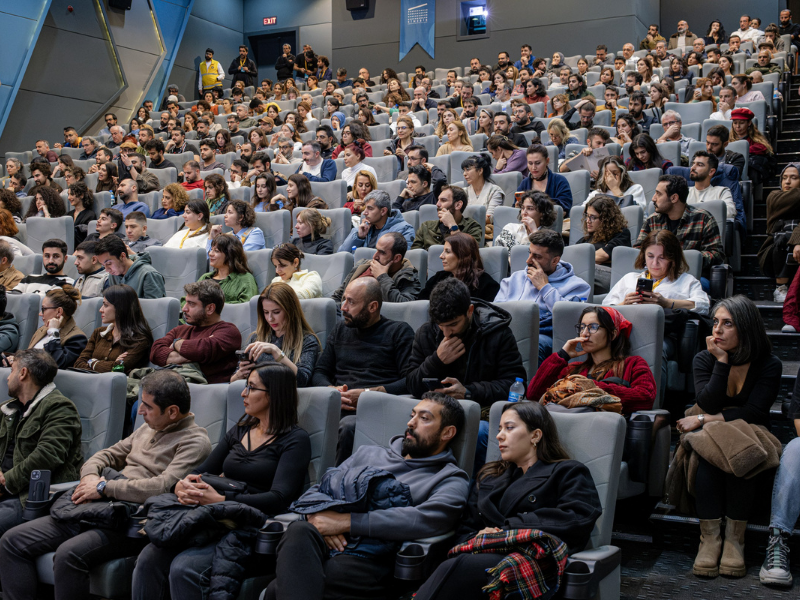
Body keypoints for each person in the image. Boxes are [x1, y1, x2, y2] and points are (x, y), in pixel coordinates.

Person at [0, 369, 212, 600]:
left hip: (131, 518)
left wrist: (104, 488)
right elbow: (104, 456)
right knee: (12, 541)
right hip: (98, 504)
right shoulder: (147, 427)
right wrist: (91, 477)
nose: (140, 411)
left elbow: (163, 486)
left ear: (172, 411)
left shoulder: (194, 442)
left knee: (68, 554)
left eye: (147, 407)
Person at [264, 390, 469, 600]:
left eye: (424, 418)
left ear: (447, 433)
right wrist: (320, 519)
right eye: (412, 415)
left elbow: (428, 519)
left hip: (374, 559)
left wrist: (347, 522)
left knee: (275, 590)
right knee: (299, 531)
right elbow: (319, 489)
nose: (411, 423)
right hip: (325, 543)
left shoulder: (450, 477)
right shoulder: (367, 453)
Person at [133, 361, 310, 600]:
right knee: (148, 559)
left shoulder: (295, 440)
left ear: (274, 395)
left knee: (184, 569)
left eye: (251, 388)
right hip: (212, 515)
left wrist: (223, 499)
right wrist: (184, 485)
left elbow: (279, 498)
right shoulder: (241, 429)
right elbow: (203, 470)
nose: (243, 393)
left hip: (250, 523)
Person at [412, 401, 600, 600]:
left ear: (535, 435)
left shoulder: (567, 471)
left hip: (535, 560)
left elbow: (577, 518)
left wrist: (507, 530)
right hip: (483, 554)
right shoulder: (489, 477)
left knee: (460, 566)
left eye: (509, 428)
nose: (499, 435)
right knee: (452, 563)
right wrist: (483, 536)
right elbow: (465, 530)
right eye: (500, 428)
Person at [676, 296, 781, 579]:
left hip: (752, 432)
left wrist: (702, 419)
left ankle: (736, 539)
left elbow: (755, 412)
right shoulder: (704, 358)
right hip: (712, 435)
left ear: (745, 328)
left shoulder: (769, 363)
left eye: (727, 324)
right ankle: (710, 539)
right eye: (715, 323)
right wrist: (721, 362)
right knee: (712, 452)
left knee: (739, 451)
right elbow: (709, 402)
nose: (717, 330)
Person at [407, 276, 525, 451]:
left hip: (481, 412)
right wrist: (436, 361)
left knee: (478, 433)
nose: (447, 333)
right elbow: (411, 384)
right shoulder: (426, 332)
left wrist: (469, 391)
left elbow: (513, 385)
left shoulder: (498, 333)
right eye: (441, 325)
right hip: (435, 412)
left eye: (453, 324)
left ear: (470, 310)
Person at [311, 277, 415, 463]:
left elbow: (410, 381)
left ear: (373, 306)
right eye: (344, 299)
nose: (343, 307)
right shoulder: (340, 330)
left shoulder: (398, 332)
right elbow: (319, 372)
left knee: (347, 426)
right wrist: (331, 390)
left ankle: (334, 482)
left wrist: (368, 395)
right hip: (336, 404)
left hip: (376, 410)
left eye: (351, 302)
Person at [605, 229, 710, 387]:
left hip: (663, 335)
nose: (654, 263)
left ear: (672, 258)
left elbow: (703, 306)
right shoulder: (629, 279)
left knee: (654, 347)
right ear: (643, 255)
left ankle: (652, 401)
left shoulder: (686, 281)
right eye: (650, 256)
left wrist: (667, 303)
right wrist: (623, 304)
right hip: (626, 332)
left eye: (662, 257)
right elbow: (602, 309)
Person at [0, 349, 82, 536]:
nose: (7, 377)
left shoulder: (60, 407)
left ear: (23, 373)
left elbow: (47, 455)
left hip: (31, 496)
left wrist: (5, 482)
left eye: (12, 370)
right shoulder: (7, 408)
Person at [527, 305, 656, 414]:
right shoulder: (573, 369)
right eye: (582, 327)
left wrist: (590, 387)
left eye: (593, 327)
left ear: (613, 334)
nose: (584, 334)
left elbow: (646, 397)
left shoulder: (633, 364)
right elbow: (533, 395)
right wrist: (562, 355)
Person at [495, 229, 591, 364]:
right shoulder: (514, 279)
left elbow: (567, 321)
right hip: (509, 330)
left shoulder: (578, 286)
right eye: (529, 253)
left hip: (544, 336)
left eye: (537, 257)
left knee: (535, 343)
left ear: (555, 260)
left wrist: (544, 287)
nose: (528, 261)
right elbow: (496, 310)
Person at [635, 175, 725, 280]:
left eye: (658, 194)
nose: (653, 198)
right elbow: (638, 249)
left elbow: (716, 255)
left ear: (674, 198)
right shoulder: (652, 220)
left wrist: (681, 259)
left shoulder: (704, 218)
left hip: (691, 276)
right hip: (656, 275)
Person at [151, 280, 242, 383]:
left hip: (206, 392)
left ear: (210, 308)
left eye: (191, 304)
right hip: (171, 387)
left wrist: (176, 343)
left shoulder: (229, 332)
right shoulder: (180, 330)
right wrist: (195, 354)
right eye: (186, 302)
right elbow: (156, 352)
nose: (184, 308)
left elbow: (204, 349)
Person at [73, 284, 153, 374]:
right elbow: (78, 364)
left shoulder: (140, 340)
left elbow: (117, 369)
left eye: (106, 305)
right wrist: (112, 363)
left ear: (121, 308)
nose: (101, 309)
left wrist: (91, 362)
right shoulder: (98, 333)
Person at [332, 232, 421, 306]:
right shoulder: (363, 265)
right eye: (376, 250)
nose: (375, 256)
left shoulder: (408, 276)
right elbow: (338, 296)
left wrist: (382, 277)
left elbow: (404, 307)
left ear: (396, 258)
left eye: (382, 253)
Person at [15, 285, 87, 369]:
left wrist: (53, 332)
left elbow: (58, 364)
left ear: (59, 311)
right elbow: (29, 357)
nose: (40, 314)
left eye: (43, 309)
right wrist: (17, 360)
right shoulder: (42, 330)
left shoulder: (77, 338)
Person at [758, 163, 800, 303]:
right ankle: (780, 287)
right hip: (775, 250)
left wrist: (798, 240)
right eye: (784, 178)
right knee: (783, 237)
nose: (787, 182)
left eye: (793, 177)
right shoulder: (774, 196)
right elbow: (786, 200)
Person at [420, 233, 500, 302]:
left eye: (447, 251)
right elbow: (422, 305)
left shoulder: (486, 284)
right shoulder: (438, 278)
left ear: (463, 255)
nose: (441, 256)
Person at [577, 196, 632, 294]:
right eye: (587, 215)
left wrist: (579, 261)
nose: (588, 220)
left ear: (606, 219)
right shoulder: (584, 240)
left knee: (578, 268)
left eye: (593, 217)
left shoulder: (621, 234)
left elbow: (604, 255)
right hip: (588, 274)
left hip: (610, 276)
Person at [340, 190, 415, 252]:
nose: (364, 213)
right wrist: (359, 237)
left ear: (383, 211)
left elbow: (401, 261)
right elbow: (341, 256)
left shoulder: (404, 230)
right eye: (365, 208)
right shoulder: (362, 229)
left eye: (370, 208)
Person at [413, 185, 482, 250]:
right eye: (438, 200)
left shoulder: (472, 227)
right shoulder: (426, 227)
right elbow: (415, 256)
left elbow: (469, 252)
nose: (437, 204)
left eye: (443, 200)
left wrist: (452, 226)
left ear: (458, 205)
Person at [95, 235, 166, 299]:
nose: (107, 270)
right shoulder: (113, 275)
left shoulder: (148, 274)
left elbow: (155, 310)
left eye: (109, 263)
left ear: (122, 256)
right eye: (103, 265)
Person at [197, 234, 259, 305]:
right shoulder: (205, 277)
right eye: (211, 249)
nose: (210, 253)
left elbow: (246, 306)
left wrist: (212, 307)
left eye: (216, 251)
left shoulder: (245, 279)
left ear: (230, 255)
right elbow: (188, 299)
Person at [516, 145, 573, 211]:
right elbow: (515, 208)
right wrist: (517, 207)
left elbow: (565, 208)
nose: (533, 167)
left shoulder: (560, 181)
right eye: (530, 163)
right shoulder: (524, 183)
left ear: (547, 161)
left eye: (538, 163)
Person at [686, 151, 738, 220]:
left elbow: (730, 212)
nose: (693, 168)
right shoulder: (684, 192)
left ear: (711, 172)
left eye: (699, 165)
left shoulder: (722, 192)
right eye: (693, 164)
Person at [730, 107, 774, 188]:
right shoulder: (728, 140)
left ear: (749, 123)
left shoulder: (756, 140)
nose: (738, 126)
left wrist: (744, 151)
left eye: (741, 123)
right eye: (735, 123)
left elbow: (763, 147)